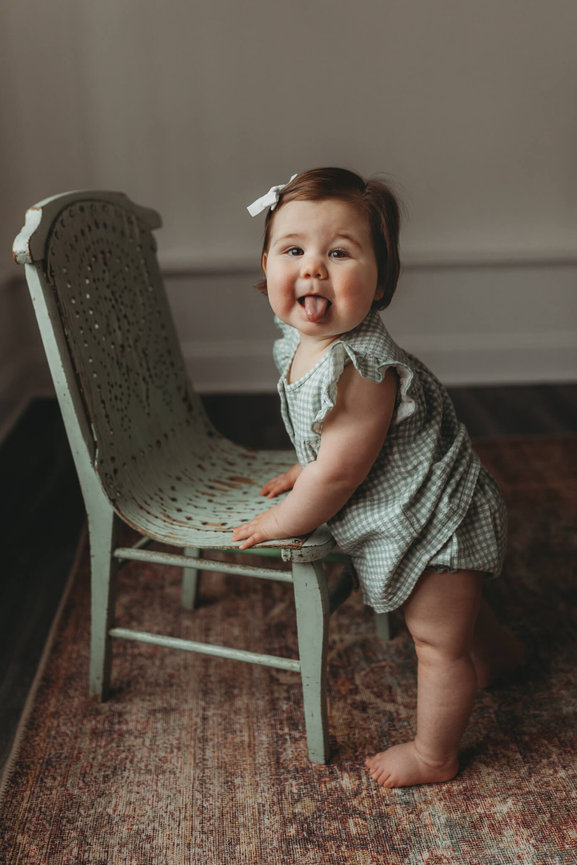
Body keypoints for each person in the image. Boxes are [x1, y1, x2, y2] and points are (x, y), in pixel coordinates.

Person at [232, 168, 524, 788]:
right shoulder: (298, 339)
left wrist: (285, 518)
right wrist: (305, 465)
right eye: (293, 250)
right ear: (265, 265)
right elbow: (334, 443)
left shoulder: (361, 367)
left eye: (339, 253)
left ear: (382, 280)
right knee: (457, 618)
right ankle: (499, 653)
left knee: (438, 643)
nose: (313, 269)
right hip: (417, 502)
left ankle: (435, 755)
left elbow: (340, 473)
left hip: (436, 518)